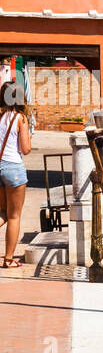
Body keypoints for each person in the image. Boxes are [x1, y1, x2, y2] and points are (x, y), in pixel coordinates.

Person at [0, 80, 32, 268]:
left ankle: (8, 257)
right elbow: (26, 149)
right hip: (14, 169)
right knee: (14, 216)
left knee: (3, 212)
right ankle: (8, 259)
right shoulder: (20, 118)